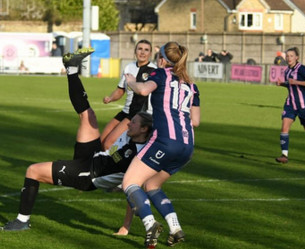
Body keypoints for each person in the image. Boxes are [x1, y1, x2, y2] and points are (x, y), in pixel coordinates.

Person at [0, 48, 153, 231]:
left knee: (32, 171)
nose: (128, 125)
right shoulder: (133, 137)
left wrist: (132, 222)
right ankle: (72, 69)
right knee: (88, 115)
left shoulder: (140, 155)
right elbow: (137, 108)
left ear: (144, 130)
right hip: (94, 155)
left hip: (87, 174)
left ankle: (22, 221)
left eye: (133, 123)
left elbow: (137, 186)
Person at [122, 41, 198, 248]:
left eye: (158, 55)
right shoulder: (192, 85)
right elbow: (196, 120)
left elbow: (144, 90)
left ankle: (150, 224)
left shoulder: (161, 74)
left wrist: (130, 81)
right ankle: (175, 227)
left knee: (129, 182)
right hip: (187, 146)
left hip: (165, 141)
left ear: (163, 59)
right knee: (152, 184)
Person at [101, 39, 157, 150]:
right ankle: (109, 165)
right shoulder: (129, 67)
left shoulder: (154, 71)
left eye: (146, 50)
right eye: (140, 49)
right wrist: (110, 98)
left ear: (150, 54)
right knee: (102, 140)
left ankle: (117, 167)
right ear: (135, 51)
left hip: (138, 113)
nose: (142, 52)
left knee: (109, 144)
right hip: (126, 111)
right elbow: (120, 90)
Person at [275, 47, 305, 164]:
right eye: (287, 56)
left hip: (303, 106)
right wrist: (282, 84)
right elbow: (291, 85)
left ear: (297, 57)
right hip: (290, 104)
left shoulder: (302, 69)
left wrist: (296, 82)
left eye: (291, 56)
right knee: (284, 127)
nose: (289, 58)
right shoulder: (287, 71)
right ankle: (284, 155)